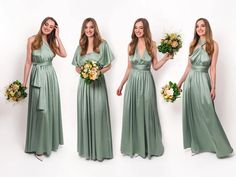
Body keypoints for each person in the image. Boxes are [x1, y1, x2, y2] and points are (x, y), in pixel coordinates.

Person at [177, 18, 233, 158]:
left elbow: (213, 68)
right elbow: (188, 67)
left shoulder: (213, 44)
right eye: (197, 26)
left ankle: (221, 147)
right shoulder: (193, 44)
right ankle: (198, 144)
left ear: (207, 28)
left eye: (202, 26)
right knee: (193, 111)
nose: (200, 28)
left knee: (208, 113)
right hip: (190, 82)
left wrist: (214, 87)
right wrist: (179, 83)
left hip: (202, 79)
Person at [117, 18, 172, 159]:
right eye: (136, 27)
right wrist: (122, 84)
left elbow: (155, 66)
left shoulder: (152, 45)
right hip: (133, 82)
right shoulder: (130, 45)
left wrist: (165, 58)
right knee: (133, 112)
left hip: (147, 81)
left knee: (147, 111)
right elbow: (129, 68)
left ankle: (149, 146)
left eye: (141, 27)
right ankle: (134, 146)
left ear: (145, 29)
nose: (138, 30)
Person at [23, 17, 67, 161]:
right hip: (37, 77)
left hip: (50, 77)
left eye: (51, 26)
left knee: (50, 109)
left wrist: (58, 37)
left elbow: (64, 54)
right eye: (46, 24)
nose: (47, 27)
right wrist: (24, 83)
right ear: (42, 24)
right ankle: (38, 146)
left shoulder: (52, 42)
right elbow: (28, 62)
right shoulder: (31, 40)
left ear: (54, 29)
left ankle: (49, 142)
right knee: (40, 111)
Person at [72, 18, 114, 161]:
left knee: (98, 114)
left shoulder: (103, 44)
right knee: (86, 115)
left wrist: (96, 73)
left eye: (91, 27)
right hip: (84, 86)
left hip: (98, 84)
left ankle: (100, 151)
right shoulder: (81, 46)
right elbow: (77, 67)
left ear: (95, 28)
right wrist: (83, 72)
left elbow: (108, 65)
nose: (89, 30)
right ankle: (88, 151)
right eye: (86, 27)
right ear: (83, 30)